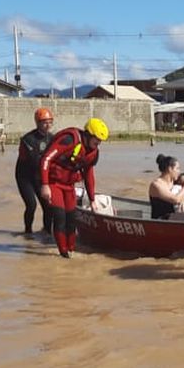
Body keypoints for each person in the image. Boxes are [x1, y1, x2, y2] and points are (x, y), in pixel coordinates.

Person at [39, 117, 109, 258]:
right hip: (53, 182)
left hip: (69, 185)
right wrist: (45, 185)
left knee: (71, 219)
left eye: (100, 142)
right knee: (60, 217)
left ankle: (71, 249)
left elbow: (89, 175)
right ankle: (63, 253)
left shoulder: (93, 152)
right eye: (96, 140)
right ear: (88, 135)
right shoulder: (69, 139)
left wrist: (92, 199)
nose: (98, 144)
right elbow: (46, 158)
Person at [15, 107, 56, 235]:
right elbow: (32, 160)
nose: (48, 125)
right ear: (37, 123)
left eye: (50, 122)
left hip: (40, 176)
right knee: (31, 205)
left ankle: (47, 232)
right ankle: (28, 232)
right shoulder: (28, 139)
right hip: (25, 177)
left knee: (48, 206)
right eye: (44, 122)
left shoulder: (53, 139)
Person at [149, 154, 184, 219]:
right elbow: (176, 200)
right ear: (170, 169)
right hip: (161, 219)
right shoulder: (156, 185)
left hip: (175, 216)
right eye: (177, 168)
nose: (179, 171)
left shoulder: (175, 182)